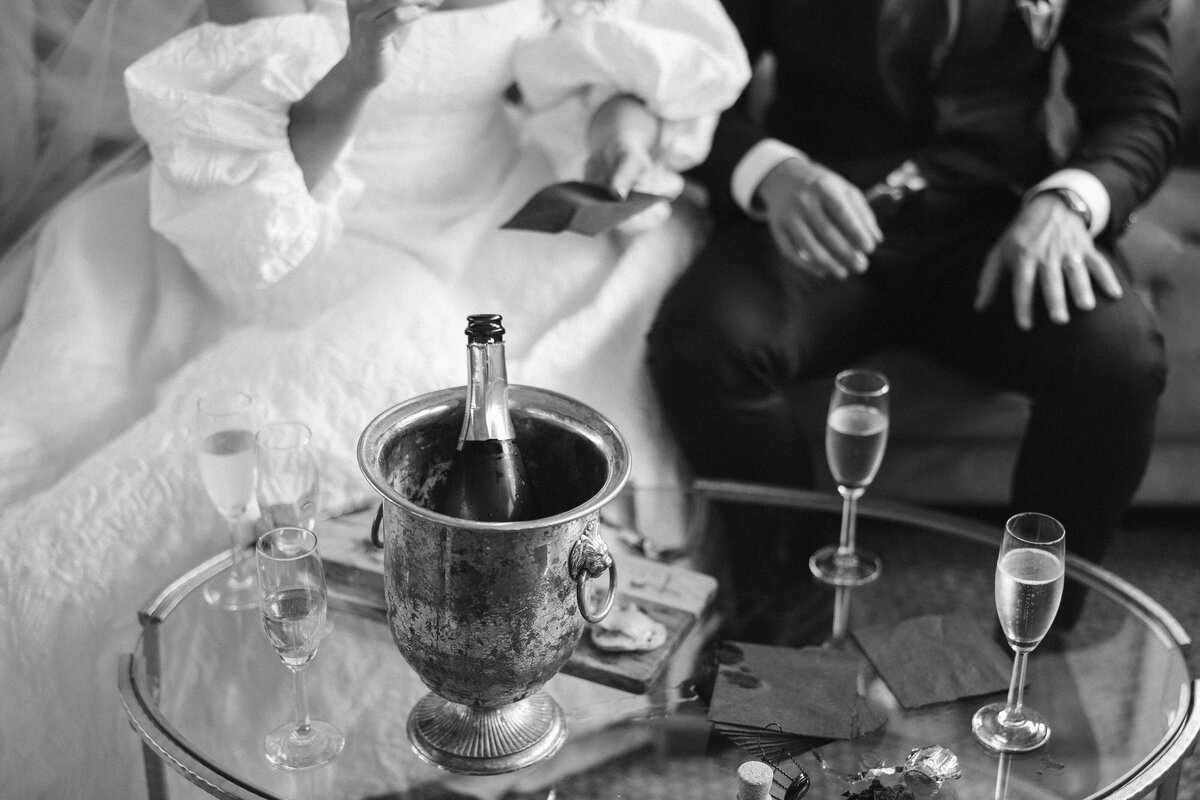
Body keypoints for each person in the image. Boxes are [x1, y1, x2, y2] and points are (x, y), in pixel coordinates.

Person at [0, 0, 750, 795]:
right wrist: (359, 67)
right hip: (322, 227)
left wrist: (618, 124)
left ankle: (541, 684)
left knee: (604, 345)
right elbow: (255, 223)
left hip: (494, 198)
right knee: (370, 368)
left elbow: (594, 37)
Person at [647, 0, 1179, 642]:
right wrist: (773, 172)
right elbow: (691, 82)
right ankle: (785, 620)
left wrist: (1070, 201)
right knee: (703, 346)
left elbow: (1139, 112)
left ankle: (1033, 635)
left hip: (995, 215)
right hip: (826, 210)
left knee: (1118, 357)